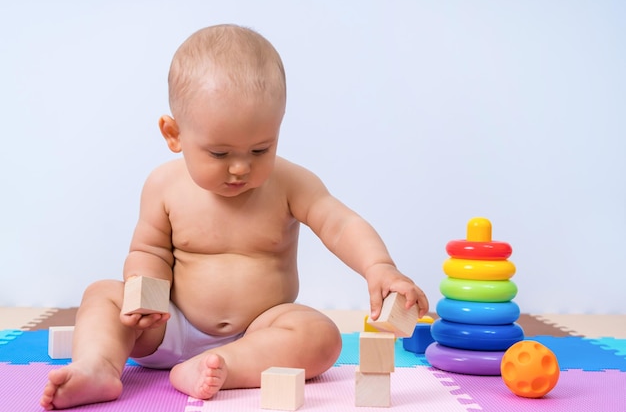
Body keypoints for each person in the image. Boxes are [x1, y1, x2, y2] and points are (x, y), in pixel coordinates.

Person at [40, 24, 429, 410]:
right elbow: (148, 250)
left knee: (321, 335)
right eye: (220, 154)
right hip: (168, 325)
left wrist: (379, 267)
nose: (241, 168)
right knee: (103, 295)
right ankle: (98, 365)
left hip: (260, 332)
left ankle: (224, 366)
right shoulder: (164, 186)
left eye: (260, 150)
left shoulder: (290, 183)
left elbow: (340, 224)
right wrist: (145, 293)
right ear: (174, 134)